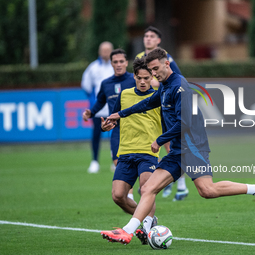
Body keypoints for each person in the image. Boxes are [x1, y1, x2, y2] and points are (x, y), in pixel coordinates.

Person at [100, 48, 255, 245]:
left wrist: (159, 140)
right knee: (148, 189)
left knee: (207, 191)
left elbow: (184, 123)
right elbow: (147, 103)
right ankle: (127, 232)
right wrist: (119, 114)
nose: (153, 74)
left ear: (167, 64)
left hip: (193, 146)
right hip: (178, 150)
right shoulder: (164, 86)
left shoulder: (180, 87)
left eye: (155, 69)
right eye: (151, 70)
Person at [100, 57, 161, 244]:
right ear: (134, 77)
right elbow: (114, 118)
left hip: (147, 152)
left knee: (146, 189)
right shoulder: (125, 95)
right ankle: (147, 219)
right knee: (118, 196)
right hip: (125, 152)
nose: (143, 82)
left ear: (152, 77)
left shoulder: (159, 96)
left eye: (146, 78)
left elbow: (168, 123)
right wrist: (106, 126)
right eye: (139, 78)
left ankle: (147, 225)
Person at [136, 26, 188, 201]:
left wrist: (159, 85)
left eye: (152, 36)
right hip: (150, 107)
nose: (148, 39)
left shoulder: (165, 56)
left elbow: (176, 78)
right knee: (150, 143)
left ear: (158, 40)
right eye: (146, 36)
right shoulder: (138, 58)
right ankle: (157, 182)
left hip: (165, 104)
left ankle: (180, 185)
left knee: (169, 145)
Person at [82, 48, 136, 201]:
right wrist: (90, 113)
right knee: (119, 163)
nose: (118, 64)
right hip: (117, 129)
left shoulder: (135, 79)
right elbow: (100, 102)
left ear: (126, 62)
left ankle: (131, 196)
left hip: (136, 128)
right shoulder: (106, 84)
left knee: (137, 163)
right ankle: (129, 196)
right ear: (111, 64)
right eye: (115, 62)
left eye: (121, 61)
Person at [81, 41, 114, 173]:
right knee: (96, 135)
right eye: (103, 50)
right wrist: (94, 101)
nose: (105, 53)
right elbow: (86, 86)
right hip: (98, 109)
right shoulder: (93, 67)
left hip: (113, 109)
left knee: (115, 136)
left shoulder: (115, 67)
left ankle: (115, 161)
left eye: (108, 50)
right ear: (99, 52)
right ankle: (95, 161)